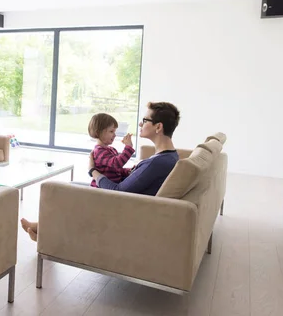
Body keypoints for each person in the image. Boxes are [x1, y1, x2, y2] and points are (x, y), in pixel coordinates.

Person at [21, 101, 181, 242]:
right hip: (126, 202)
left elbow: (118, 191)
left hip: (117, 207)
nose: (140, 124)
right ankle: (44, 229)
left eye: (145, 120)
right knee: (70, 186)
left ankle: (46, 233)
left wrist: (93, 171)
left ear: (158, 127)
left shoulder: (157, 163)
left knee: (60, 192)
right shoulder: (169, 156)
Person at [87, 113, 135, 187]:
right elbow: (117, 163)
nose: (115, 135)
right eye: (111, 131)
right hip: (100, 191)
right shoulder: (99, 152)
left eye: (114, 131)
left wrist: (128, 171)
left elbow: (116, 170)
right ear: (98, 133)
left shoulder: (112, 149)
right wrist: (128, 147)